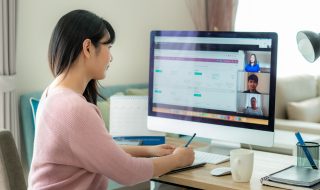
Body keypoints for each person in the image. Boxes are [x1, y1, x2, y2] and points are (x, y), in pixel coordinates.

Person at [28, 10, 194, 189]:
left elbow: (99, 152)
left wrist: (147, 151)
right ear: (88, 48)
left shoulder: (52, 93)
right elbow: (128, 172)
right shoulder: (74, 108)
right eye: (108, 47)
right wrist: (178, 159)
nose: (111, 57)